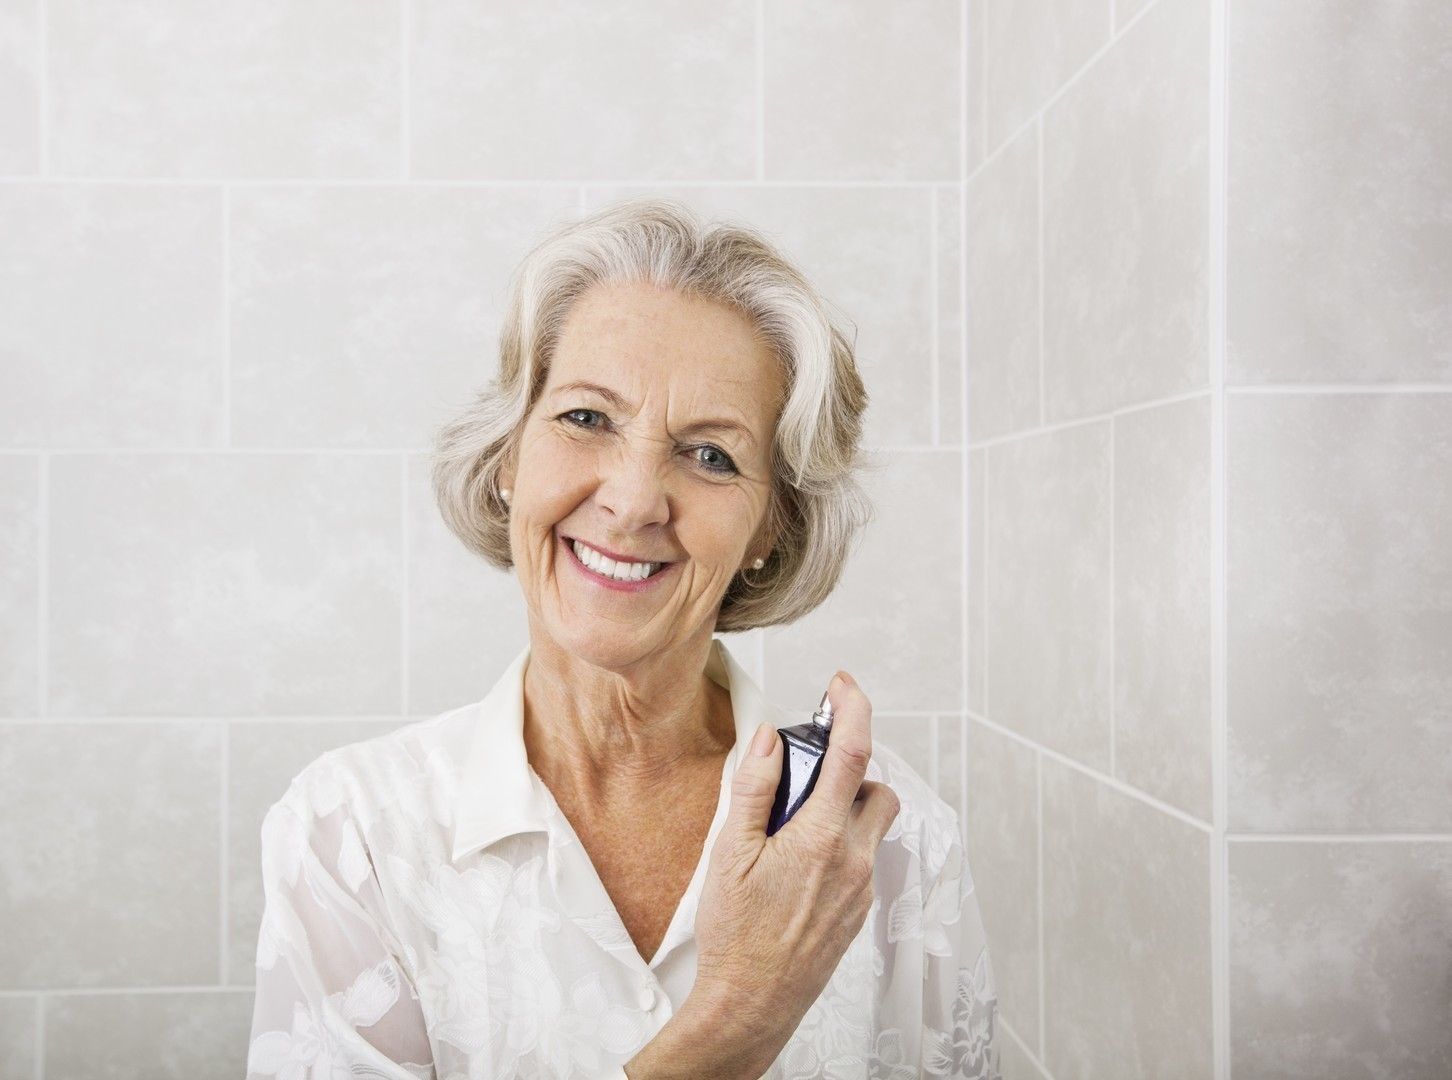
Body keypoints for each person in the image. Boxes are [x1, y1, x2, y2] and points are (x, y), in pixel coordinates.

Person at [244, 197, 1000, 1078]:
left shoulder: (894, 844)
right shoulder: (352, 837)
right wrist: (735, 1022)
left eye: (711, 454)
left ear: (770, 530)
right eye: (586, 419)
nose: (634, 499)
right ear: (506, 461)